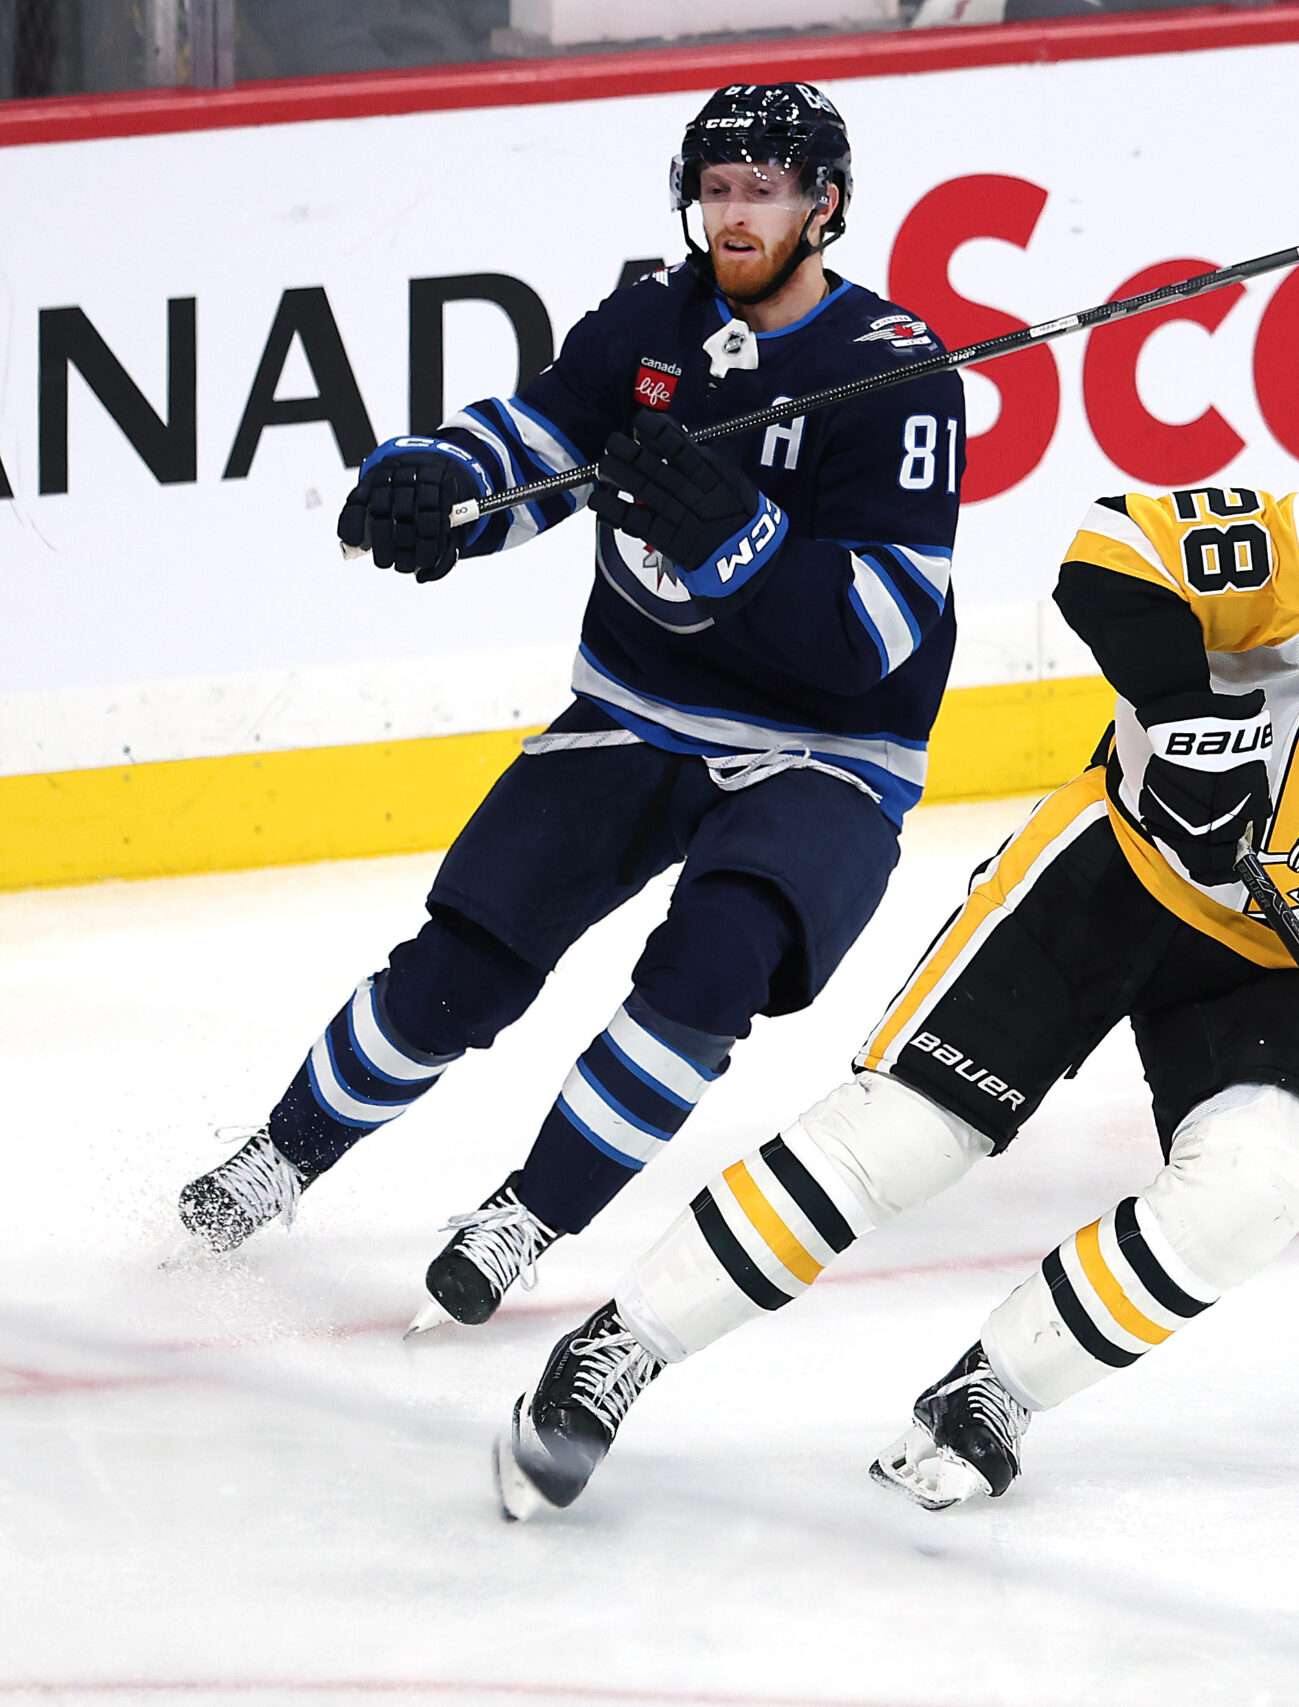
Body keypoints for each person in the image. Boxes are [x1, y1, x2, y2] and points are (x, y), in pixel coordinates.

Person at [489, 382, 1299, 1520]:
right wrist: (1183, 717)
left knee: (1257, 1187)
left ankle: (994, 1392)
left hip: (1282, 959)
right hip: (1112, 875)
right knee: (906, 1139)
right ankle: (620, 1345)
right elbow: (1113, 549)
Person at [176, 83, 970, 1333]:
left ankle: (525, 1218)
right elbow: (543, 443)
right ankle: (282, 1155)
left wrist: (746, 549)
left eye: (764, 191)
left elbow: (875, 634)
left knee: (711, 967)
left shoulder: (895, 374)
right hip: (635, 710)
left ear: (826, 206)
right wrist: (444, 480)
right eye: (717, 189)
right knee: (461, 967)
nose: (735, 215)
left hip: (824, 754)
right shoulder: (650, 321)